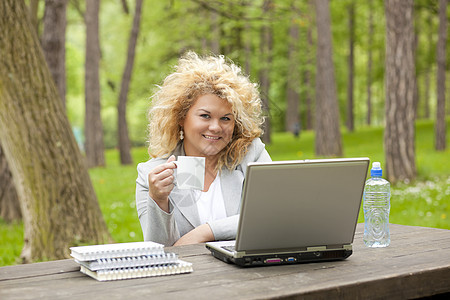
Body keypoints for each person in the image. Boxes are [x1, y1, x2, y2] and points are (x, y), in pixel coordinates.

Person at [136, 51, 271, 246]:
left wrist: (206, 232)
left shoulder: (250, 155)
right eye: (205, 116)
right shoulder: (152, 175)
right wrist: (159, 201)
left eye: (225, 118)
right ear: (181, 117)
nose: (216, 127)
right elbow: (160, 249)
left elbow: (270, 215)